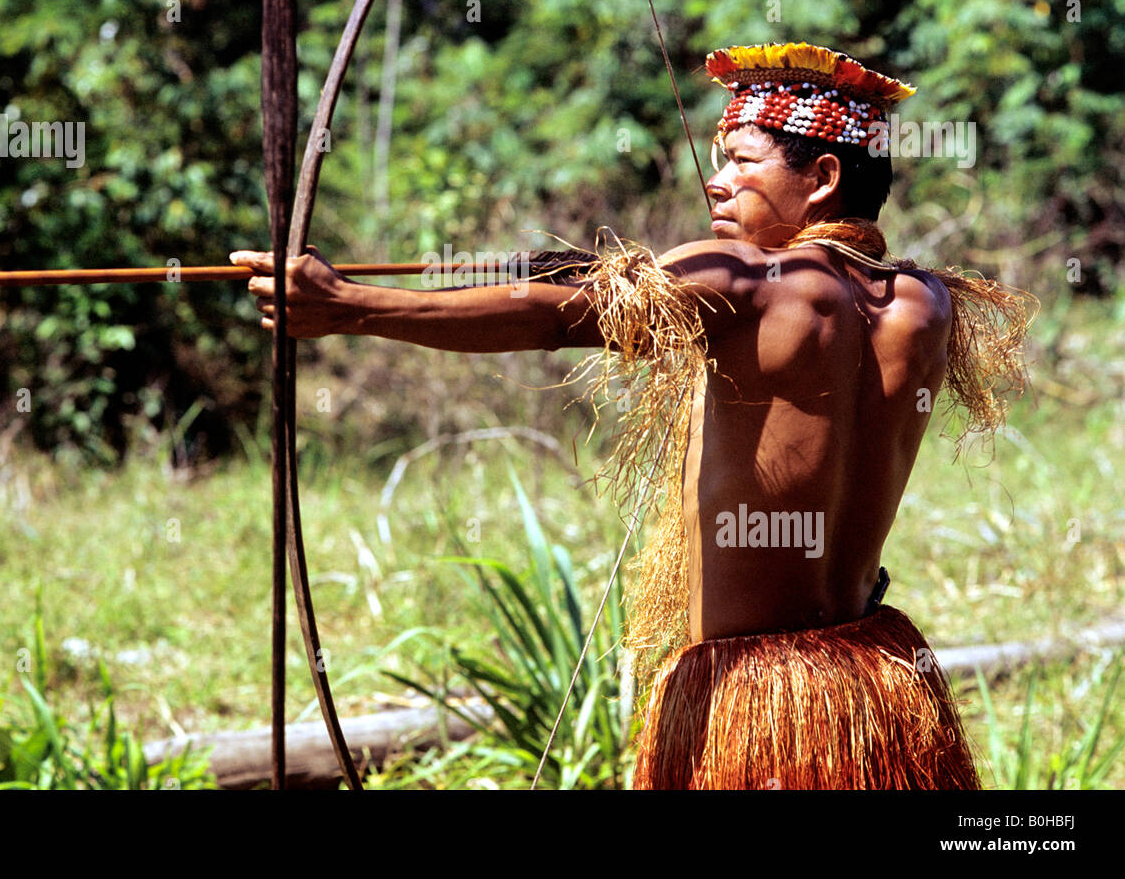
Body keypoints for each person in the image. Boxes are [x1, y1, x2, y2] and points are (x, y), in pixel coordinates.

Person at [231, 41, 1031, 790]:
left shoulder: (751, 281)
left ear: (821, 176)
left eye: (743, 163)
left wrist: (349, 306)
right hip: (874, 678)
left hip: (753, 706)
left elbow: (553, 318)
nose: (718, 182)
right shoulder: (926, 301)